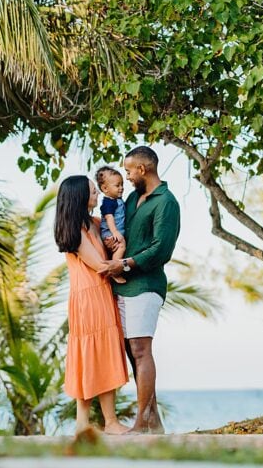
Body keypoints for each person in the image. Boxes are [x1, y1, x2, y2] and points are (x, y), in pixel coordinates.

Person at [101, 146, 181, 434]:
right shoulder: (133, 198)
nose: (127, 176)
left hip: (146, 284)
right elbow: (123, 231)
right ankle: (154, 421)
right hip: (123, 285)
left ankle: (141, 422)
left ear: (142, 169)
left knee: (140, 349)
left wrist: (124, 264)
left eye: (129, 171)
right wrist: (111, 242)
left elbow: (162, 248)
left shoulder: (167, 202)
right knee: (129, 349)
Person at [54, 175, 130, 435]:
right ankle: (105, 422)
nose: (98, 194)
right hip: (89, 297)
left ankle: (86, 424)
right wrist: (126, 261)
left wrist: (114, 243)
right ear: (78, 197)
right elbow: (98, 265)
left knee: (93, 354)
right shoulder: (74, 229)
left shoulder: (94, 223)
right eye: (93, 191)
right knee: (93, 354)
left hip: (99, 293)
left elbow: (107, 246)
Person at [95, 166, 128, 284]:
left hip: (115, 231)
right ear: (105, 188)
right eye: (117, 185)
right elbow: (109, 218)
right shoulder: (108, 202)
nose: (121, 188)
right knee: (121, 246)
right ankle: (115, 270)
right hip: (110, 232)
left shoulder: (117, 200)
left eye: (122, 184)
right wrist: (114, 232)